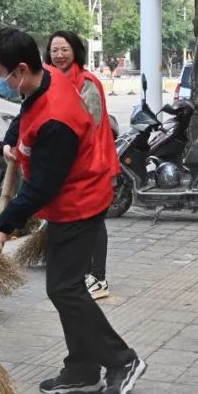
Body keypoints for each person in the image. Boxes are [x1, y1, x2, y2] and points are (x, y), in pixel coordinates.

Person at [0, 28, 146, 394]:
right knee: (64, 287)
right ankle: (83, 368)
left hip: (80, 201)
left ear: (20, 70)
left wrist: (4, 223)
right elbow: (24, 113)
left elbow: (41, 187)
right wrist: (12, 140)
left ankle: (123, 360)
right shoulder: (44, 78)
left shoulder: (57, 120)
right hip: (66, 203)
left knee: (64, 288)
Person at [45, 30, 120, 300]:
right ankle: (83, 273)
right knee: (79, 221)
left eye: (64, 49)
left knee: (94, 221)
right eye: (54, 50)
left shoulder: (87, 82)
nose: (59, 55)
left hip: (93, 166)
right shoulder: (50, 81)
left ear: (75, 51)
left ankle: (99, 278)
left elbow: (92, 126)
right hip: (70, 168)